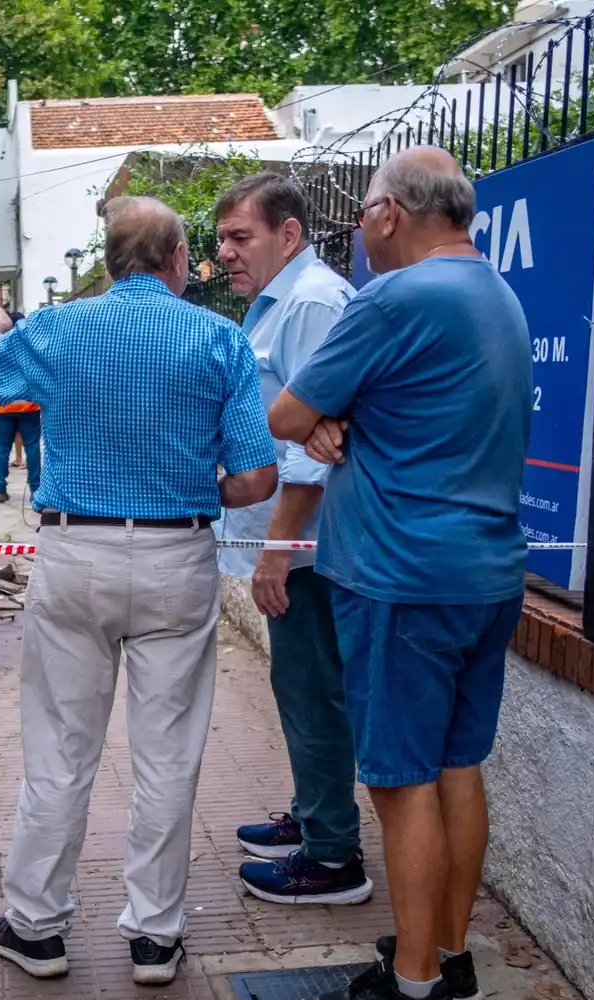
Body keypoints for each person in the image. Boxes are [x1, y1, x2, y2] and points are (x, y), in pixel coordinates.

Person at [0, 196, 277, 986]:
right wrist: (193, 488)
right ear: (177, 260)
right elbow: (258, 476)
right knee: (168, 754)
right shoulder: (218, 338)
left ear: (110, 263)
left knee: (60, 751)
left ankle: (36, 924)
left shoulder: (62, 329)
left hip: (75, 550)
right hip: (177, 555)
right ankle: (155, 934)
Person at [270, 147, 532, 1000]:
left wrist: (334, 417)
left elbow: (286, 415)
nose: (362, 236)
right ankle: (448, 955)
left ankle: (415, 993)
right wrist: (351, 417)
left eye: (365, 217)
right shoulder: (497, 295)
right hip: (486, 574)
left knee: (398, 781)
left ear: (389, 214)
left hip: (400, 577)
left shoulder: (395, 297)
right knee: (457, 768)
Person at [213, 172, 370, 907]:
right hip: (285, 539)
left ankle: (334, 855)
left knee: (313, 690)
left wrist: (277, 550)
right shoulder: (278, 304)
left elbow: (312, 449)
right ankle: (316, 817)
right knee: (300, 683)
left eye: (240, 237)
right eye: (219, 241)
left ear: (290, 233)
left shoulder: (310, 304)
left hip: (303, 543)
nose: (226, 255)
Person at [0, 311, 40, 504]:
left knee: (2, 448)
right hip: (29, 406)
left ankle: (0, 489)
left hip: (4, 407)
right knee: (33, 448)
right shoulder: (30, 346)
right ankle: (36, 489)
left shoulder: (0, 346)